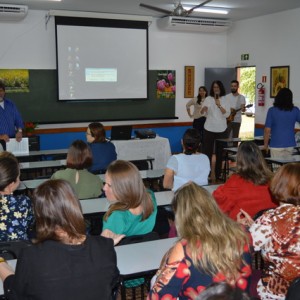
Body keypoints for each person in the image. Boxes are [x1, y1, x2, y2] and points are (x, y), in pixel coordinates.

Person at [0, 179, 119, 300]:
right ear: (75, 205)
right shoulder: (105, 246)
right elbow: (112, 282)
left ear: (40, 214)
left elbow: (15, 294)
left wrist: (2, 266)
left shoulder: (31, 255)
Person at [148, 182, 252, 300]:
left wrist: (161, 271)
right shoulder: (243, 233)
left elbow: (157, 297)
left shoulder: (184, 249)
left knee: (155, 281)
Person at [237, 163, 300, 300]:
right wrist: (255, 226)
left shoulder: (269, 220)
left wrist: (241, 229)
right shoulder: (268, 222)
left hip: (276, 293)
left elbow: (242, 246)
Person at [213, 141, 276, 220]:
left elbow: (219, 202)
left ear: (239, 159)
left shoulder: (236, 181)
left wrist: (223, 187)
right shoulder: (273, 180)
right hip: (267, 225)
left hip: (243, 227)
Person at [101, 160, 157, 238]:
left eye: (109, 185)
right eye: (104, 183)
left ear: (123, 188)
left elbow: (105, 244)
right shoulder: (150, 196)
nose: (104, 188)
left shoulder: (116, 216)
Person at [0, 151, 34, 241]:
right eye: (18, 177)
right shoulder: (24, 202)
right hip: (19, 253)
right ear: (11, 184)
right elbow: (31, 223)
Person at [201, 80, 231, 180]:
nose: (216, 89)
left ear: (221, 88)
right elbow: (202, 113)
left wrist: (219, 105)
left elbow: (227, 114)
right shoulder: (208, 99)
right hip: (208, 128)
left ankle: (218, 174)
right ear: (212, 89)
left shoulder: (225, 99)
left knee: (220, 153)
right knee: (207, 153)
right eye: (214, 87)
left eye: (217, 87)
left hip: (221, 129)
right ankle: (207, 173)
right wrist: (203, 109)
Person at [264, 87, 300, 158]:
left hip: (276, 144)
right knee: (288, 168)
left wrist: (265, 145)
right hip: (290, 144)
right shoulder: (295, 110)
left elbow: (267, 130)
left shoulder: (272, 110)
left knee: (277, 168)